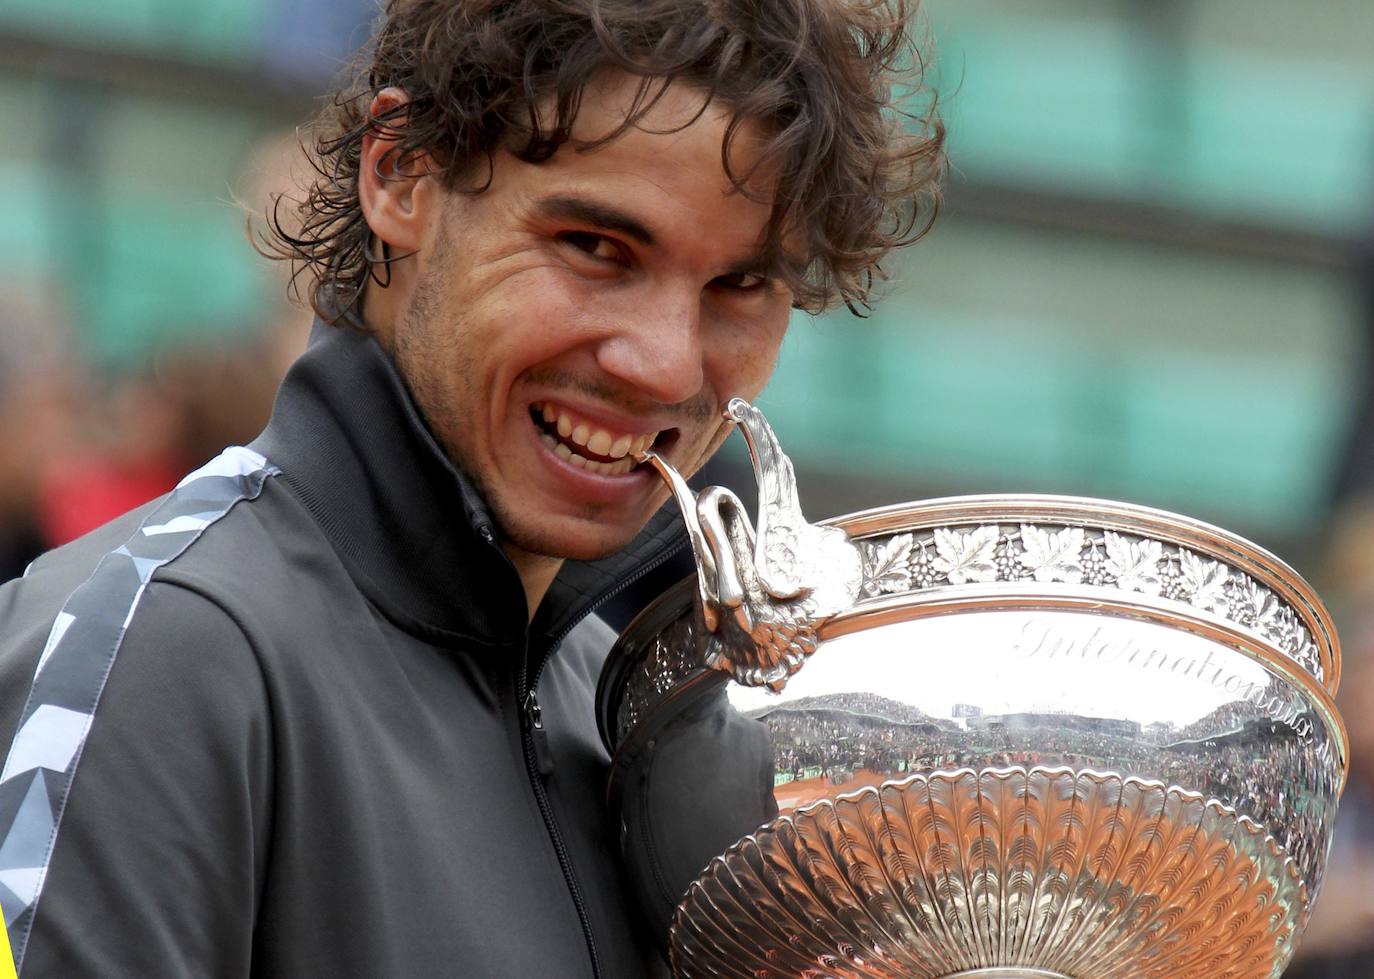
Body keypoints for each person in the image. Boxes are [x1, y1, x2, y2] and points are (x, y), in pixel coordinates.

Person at [0, 0, 943, 975]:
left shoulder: (627, 727)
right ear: (400, 173)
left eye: (740, 286)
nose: (664, 366)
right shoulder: (158, 654)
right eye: (595, 247)